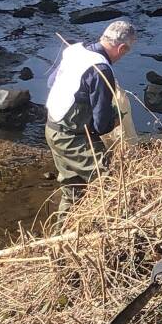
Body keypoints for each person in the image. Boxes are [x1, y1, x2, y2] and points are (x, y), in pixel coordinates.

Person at [45, 20, 136, 225]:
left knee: (72, 190)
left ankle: (61, 237)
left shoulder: (76, 50)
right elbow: (102, 125)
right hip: (73, 139)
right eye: (125, 52)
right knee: (111, 182)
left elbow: (51, 82)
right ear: (121, 48)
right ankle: (117, 228)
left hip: (52, 129)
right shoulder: (101, 69)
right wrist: (117, 116)